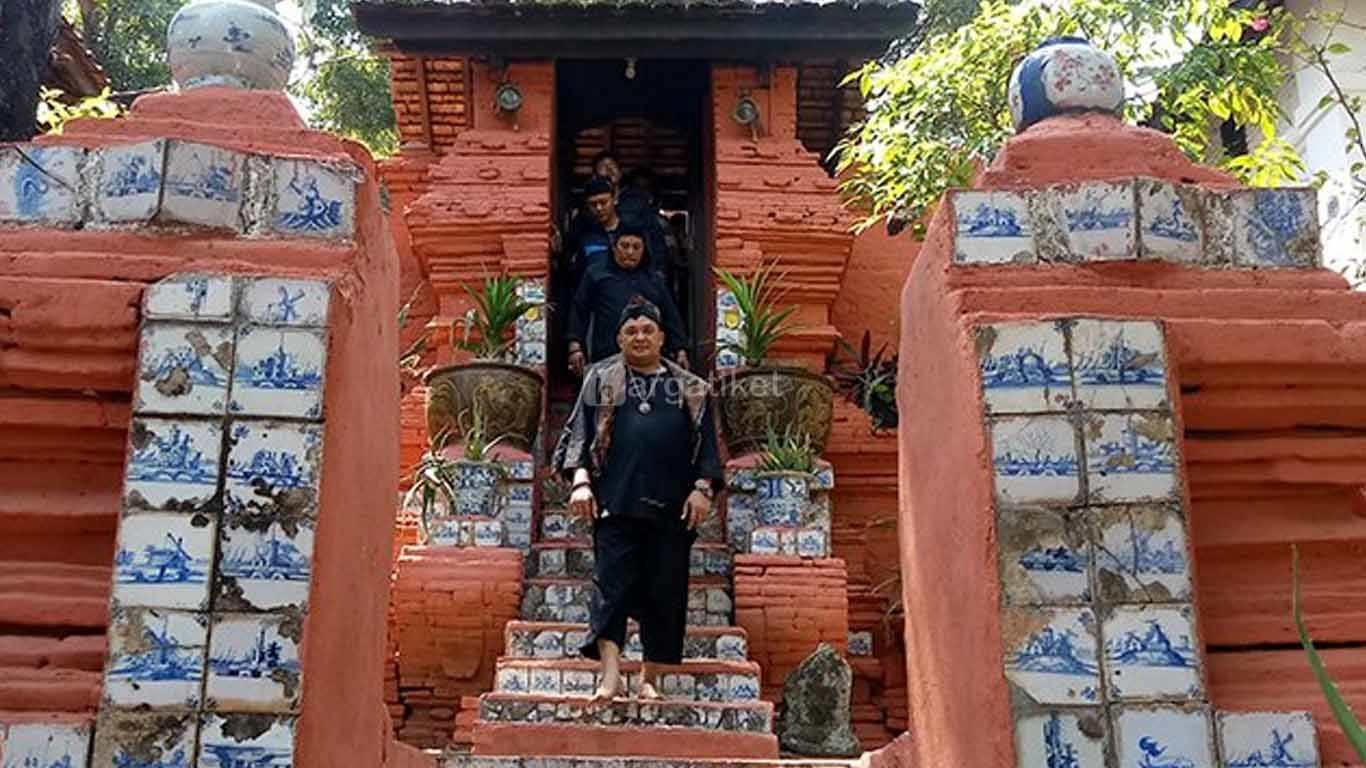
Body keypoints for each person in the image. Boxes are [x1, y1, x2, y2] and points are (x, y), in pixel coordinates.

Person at [551, 296, 723, 704]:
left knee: (665, 592)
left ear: (662, 337)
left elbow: (709, 450)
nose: (640, 337)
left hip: (673, 507)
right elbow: (578, 435)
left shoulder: (691, 388)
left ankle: (650, 678)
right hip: (614, 502)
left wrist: (702, 489)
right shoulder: (599, 380)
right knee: (610, 588)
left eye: (648, 330)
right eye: (631, 331)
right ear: (618, 338)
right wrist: (580, 481)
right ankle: (609, 676)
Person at [567, 224, 689, 374]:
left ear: (644, 250)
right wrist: (575, 346)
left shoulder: (654, 280)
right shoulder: (596, 274)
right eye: (625, 246)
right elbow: (580, 309)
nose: (630, 252)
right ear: (614, 247)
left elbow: (671, 316)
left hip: (647, 358)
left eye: (636, 247)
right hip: (606, 357)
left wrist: (680, 350)